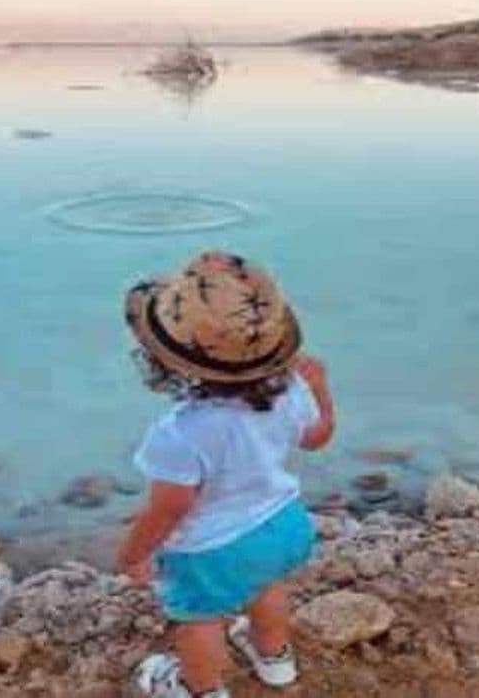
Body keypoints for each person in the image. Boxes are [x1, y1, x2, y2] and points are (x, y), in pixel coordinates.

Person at [117, 251, 335, 698]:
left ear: (168, 363)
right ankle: (276, 664)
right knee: (266, 588)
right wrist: (320, 390)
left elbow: (172, 507)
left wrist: (135, 553)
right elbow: (315, 438)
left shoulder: (179, 434)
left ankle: (199, 688)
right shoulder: (291, 389)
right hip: (283, 525)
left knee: (199, 620)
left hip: (211, 550)